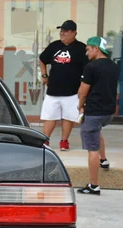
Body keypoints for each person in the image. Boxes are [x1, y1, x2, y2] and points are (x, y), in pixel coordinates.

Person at [76, 36, 119, 195]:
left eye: (88, 49)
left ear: (96, 48)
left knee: (91, 148)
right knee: (97, 131)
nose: (86, 53)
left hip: (94, 112)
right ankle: (104, 160)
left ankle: (94, 185)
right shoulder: (114, 66)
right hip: (108, 112)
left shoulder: (91, 67)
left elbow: (82, 91)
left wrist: (80, 107)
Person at [39, 20, 88, 150]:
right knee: (49, 117)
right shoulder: (54, 46)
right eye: (61, 31)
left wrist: (83, 88)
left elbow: (87, 69)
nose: (62, 33)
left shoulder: (81, 48)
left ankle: (64, 141)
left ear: (74, 33)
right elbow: (42, 59)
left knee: (68, 117)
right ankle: (45, 141)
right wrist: (44, 75)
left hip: (72, 91)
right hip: (53, 90)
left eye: (66, 31)